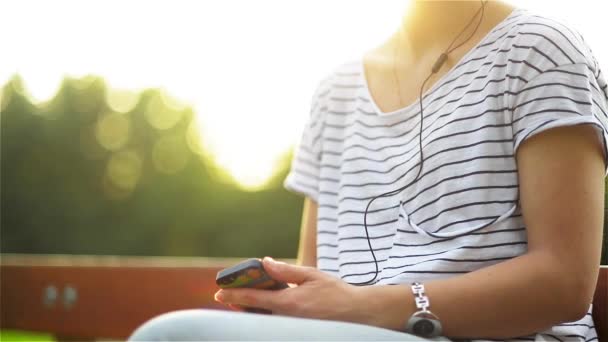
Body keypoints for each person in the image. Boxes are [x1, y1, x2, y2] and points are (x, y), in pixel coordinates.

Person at [129, 1, 607, 340]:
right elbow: (317, 272)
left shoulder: (540, 50)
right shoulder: (335, 91)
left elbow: (563, 283)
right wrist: (289, 303)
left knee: (171, 337)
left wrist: (361, 307)